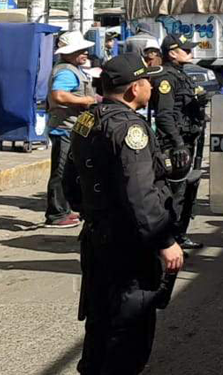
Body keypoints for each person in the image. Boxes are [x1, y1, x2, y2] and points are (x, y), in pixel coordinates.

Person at [64, 53, 182, 374]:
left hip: (96, 237)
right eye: (147, 82)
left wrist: (93, 210)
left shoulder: (88, 119)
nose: (152, 88)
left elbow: (70, 181)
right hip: (128, 246)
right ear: (133, 89)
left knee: (100, 322)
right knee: (128, 334)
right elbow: (140, 194)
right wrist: (165, 241)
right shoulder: (130, 128)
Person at [148, 34, 208, 251]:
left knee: (187, 191)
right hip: (174, 145)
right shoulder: (166, 78)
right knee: (175, 193)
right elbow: (164, 115)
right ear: (172, 53)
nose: (191, 53)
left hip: (189, 139)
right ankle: (168, 241)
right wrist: (177, 143)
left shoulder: (182, 74)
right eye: (186, 50)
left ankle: (180, 235)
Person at [45, 31, 96, 229]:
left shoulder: (73, 69)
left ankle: (64, 209)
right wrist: (85, 100)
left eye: (85, 49)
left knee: (68, 171)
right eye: (80, 50)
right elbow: (59, 95)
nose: (85, 53)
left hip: (72, 128)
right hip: (65, 128)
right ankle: (56, 214)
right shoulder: (66, 71)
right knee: (61, 171)